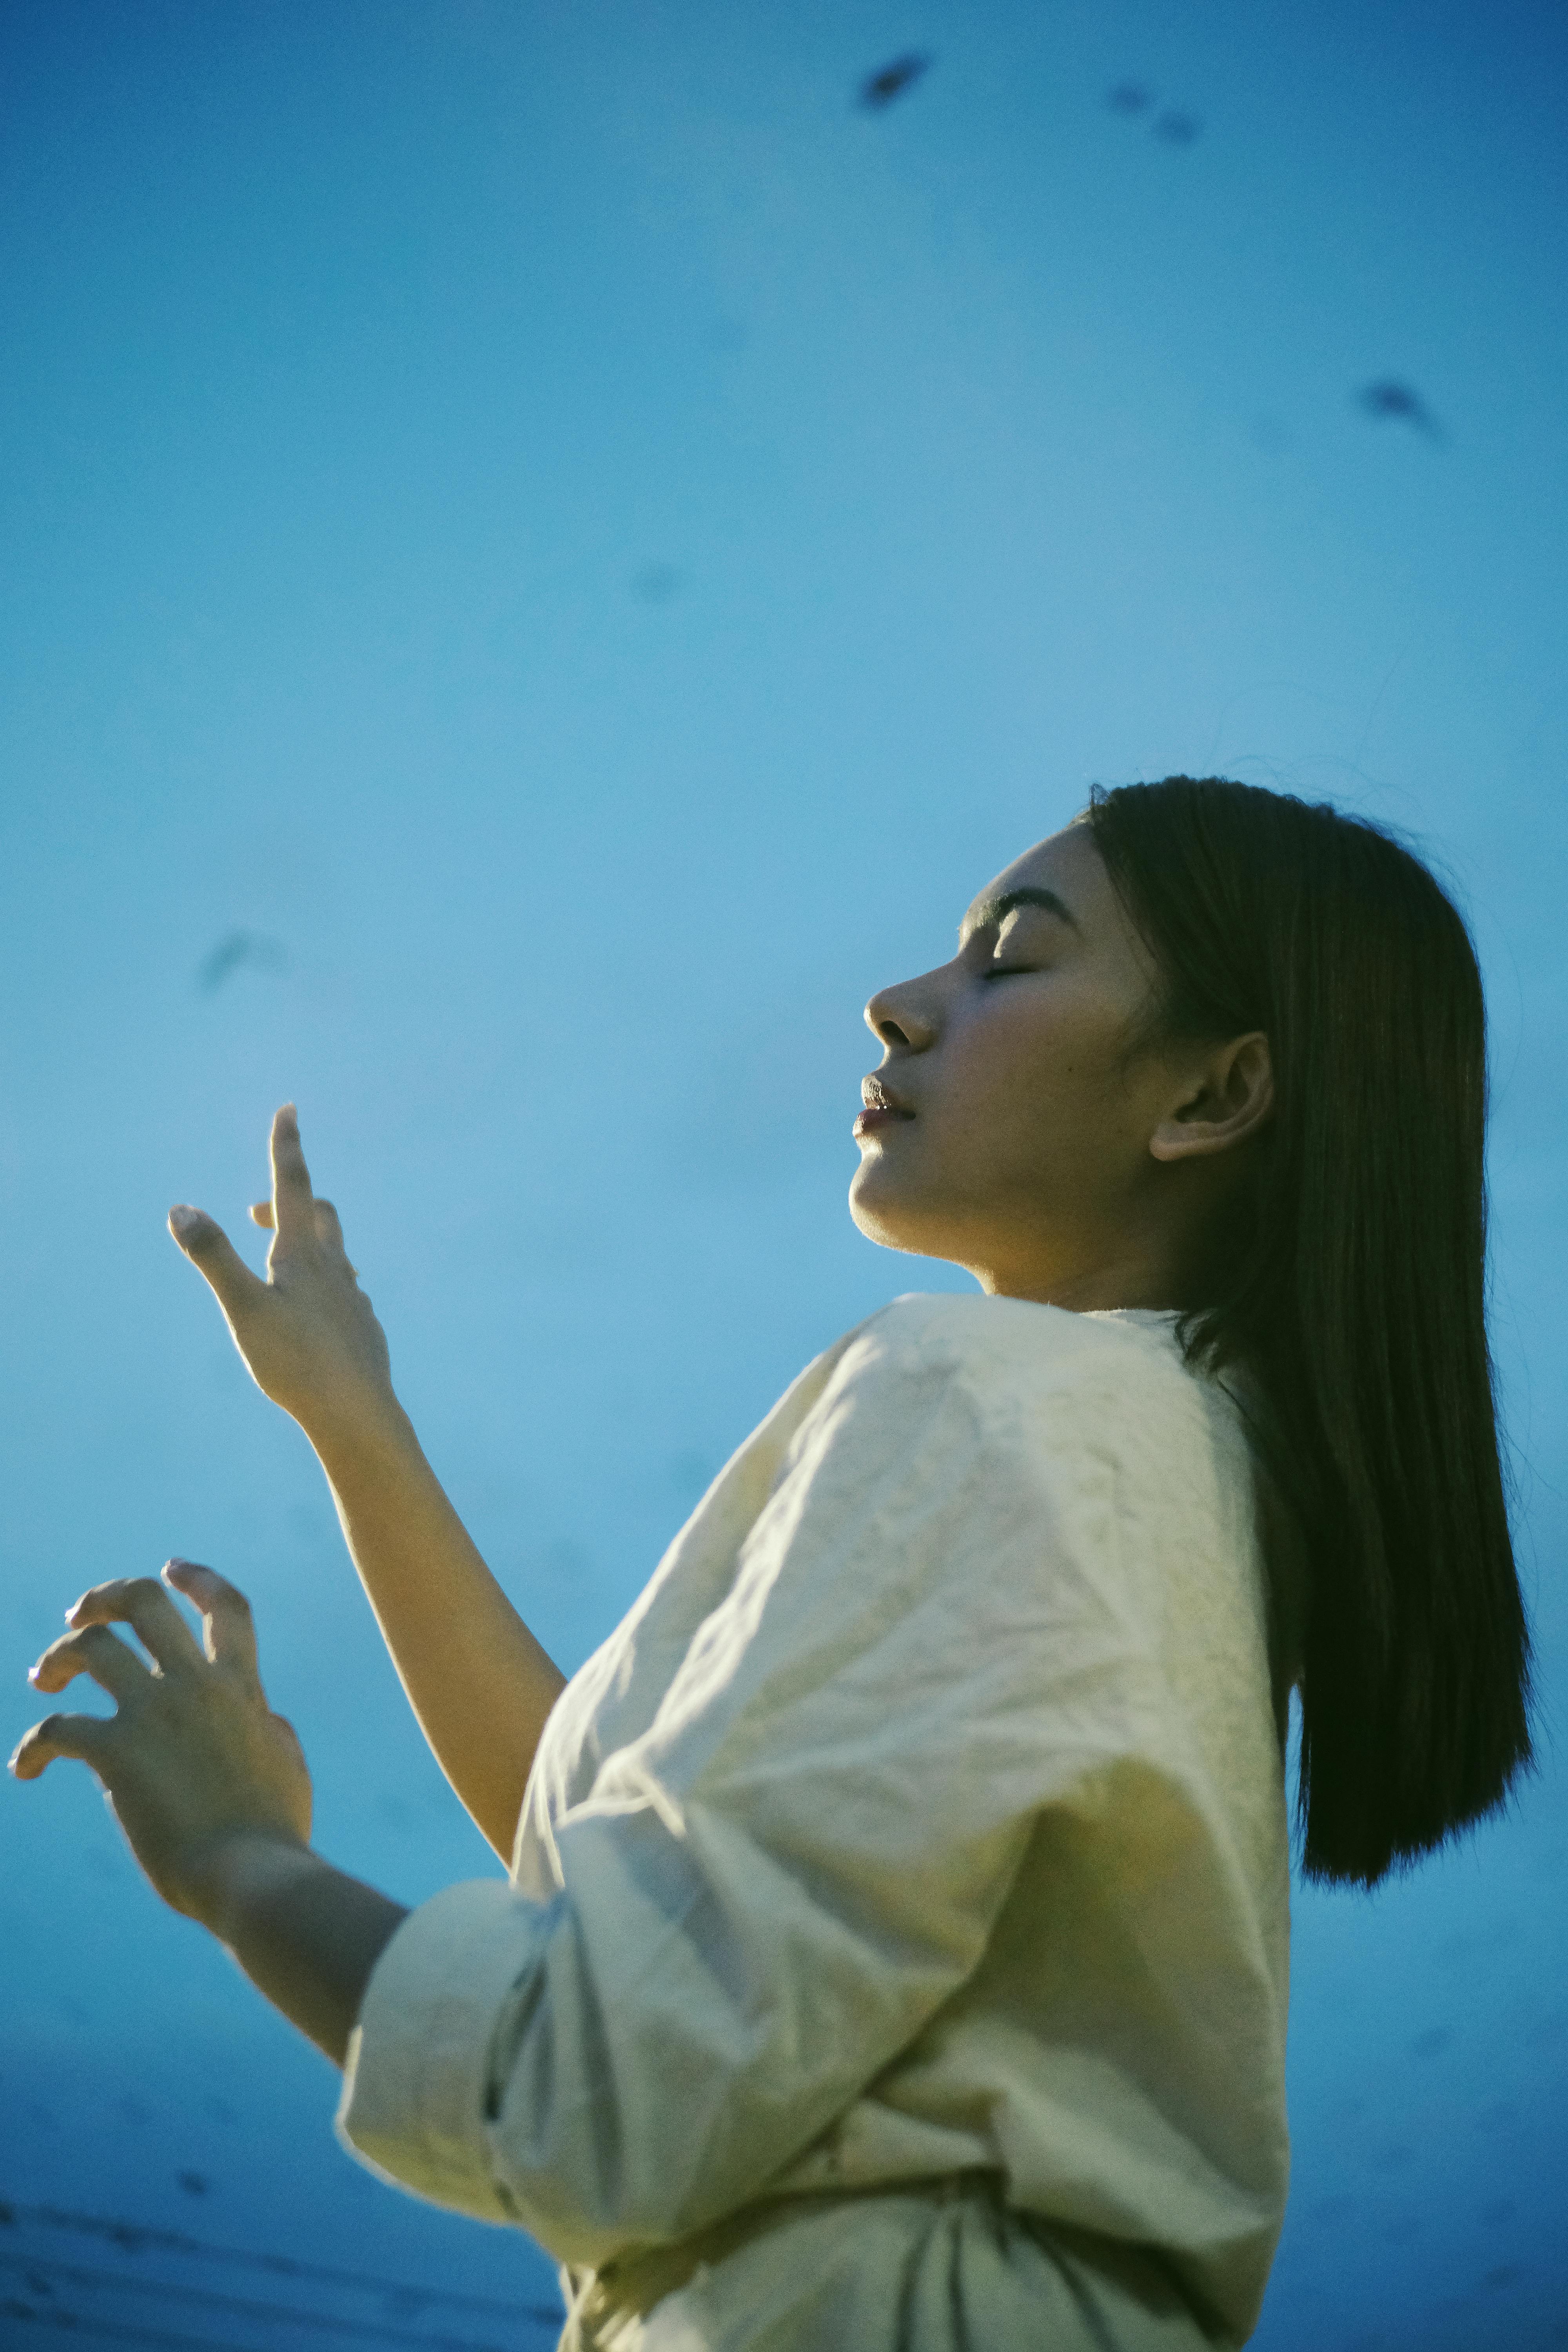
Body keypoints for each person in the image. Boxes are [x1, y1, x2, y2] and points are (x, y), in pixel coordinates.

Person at [13, 777, 1532, 2350]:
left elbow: (599, 2089)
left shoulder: (996, 1402)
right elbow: (656, 1878)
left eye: (1009, 958)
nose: (893, 1006)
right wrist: (358, 1426)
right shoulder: (1162, 1475)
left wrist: (243, 1865)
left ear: (1210, 1097)